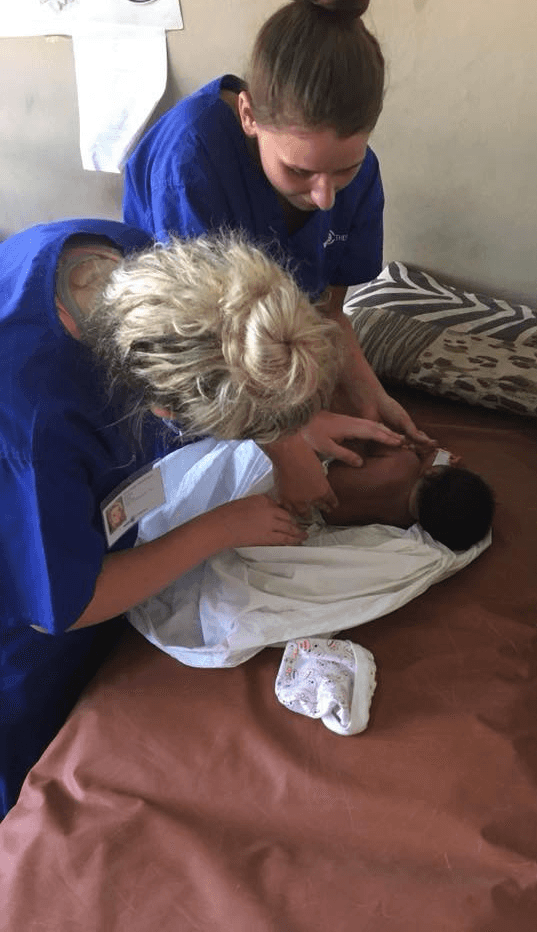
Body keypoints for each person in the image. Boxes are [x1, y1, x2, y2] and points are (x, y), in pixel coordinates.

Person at [0, 220, 400, 819]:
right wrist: (222, 527)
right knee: (25, 766)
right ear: (165, 410)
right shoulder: (38, 423)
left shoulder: (137, 267)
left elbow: (230, 348)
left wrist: (292, 424)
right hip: (24, 639)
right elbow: (69, 603)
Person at [122, 0, 431, 515]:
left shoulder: (356, 178)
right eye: (299, 171)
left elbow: (328, 310)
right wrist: (290, 444)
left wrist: (366, 389)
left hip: (271, 350)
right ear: (248, 117)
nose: (325, 197)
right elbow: (204, 348)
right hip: (190, 349)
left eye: (346, 169)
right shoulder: (191, 162)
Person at [322, 443, 496, 551]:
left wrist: (418, 450)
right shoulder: (403, 521)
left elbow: (369, 432)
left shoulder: (405, 462)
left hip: (317, 473)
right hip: (319, 514)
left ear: (432, 470)